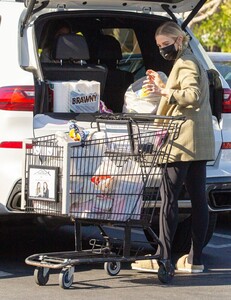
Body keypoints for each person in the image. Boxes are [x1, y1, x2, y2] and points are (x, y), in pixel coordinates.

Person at [131, 21, 215, 273]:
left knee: (169, 198)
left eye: (165, 44)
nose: (162, 50)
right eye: (159, 46)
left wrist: (165, 90)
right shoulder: (190, 60)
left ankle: (163, 256)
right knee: (198, 199)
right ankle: (194, 259)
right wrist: (163, 85)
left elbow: (190, 96)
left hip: (181, 142)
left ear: (179, 40)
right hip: (197, 142)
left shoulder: (186, 62)